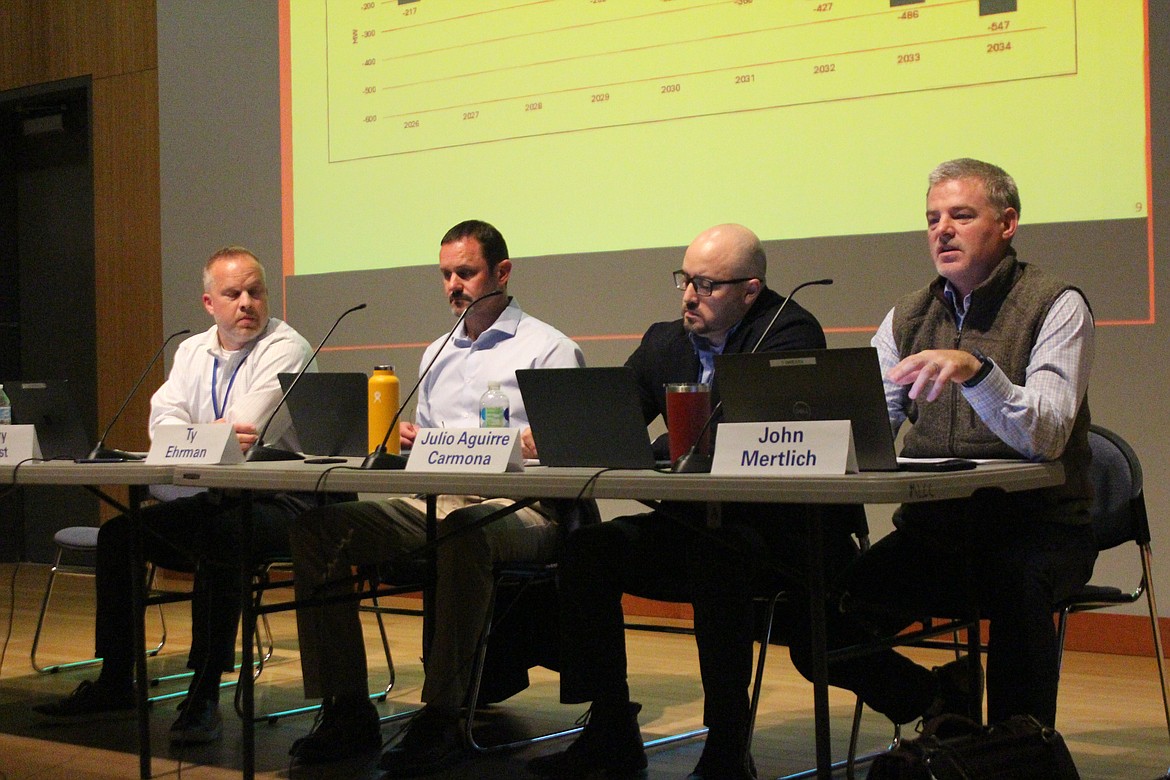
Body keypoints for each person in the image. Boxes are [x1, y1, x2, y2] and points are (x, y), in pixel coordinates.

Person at [528, 224, 861, 780]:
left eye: (706, 286)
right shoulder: (666, 341)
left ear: (750, 291)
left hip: (776, 531)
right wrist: (566, 433)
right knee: (590, 549)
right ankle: (611, 728)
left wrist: (660, 446)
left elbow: (741, 435)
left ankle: (728, 746)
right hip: (691, 523)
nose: (688, 296)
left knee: (719, 555)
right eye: (685, 280)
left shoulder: (788, 332)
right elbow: (617, 420)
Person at [287, 220, 584, 774]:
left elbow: (569, 445)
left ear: (502, 272)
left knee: (462, 532)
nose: (454, 284)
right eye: (446, 274)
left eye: (466, 273)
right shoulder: (435, 352)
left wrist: (519, 442)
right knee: (318, 531)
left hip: (524, 510)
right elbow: (430, 450)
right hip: (437, 501)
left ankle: (443, 715)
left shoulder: (549, 347)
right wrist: (407, 444)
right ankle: (347, 707)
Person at [810, 158, 1097, 730]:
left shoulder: (1055, 303)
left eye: (961, 216)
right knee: (818, 623)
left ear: (1007, 223)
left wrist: (976, 371)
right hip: (936, 532)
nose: (942, 229)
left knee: (1017, 591)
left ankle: (1017, 752)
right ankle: (936, 703)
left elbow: (1048, 435)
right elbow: (874, 426)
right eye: (933, 218)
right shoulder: (908, 315)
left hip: (1038, 528)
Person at [34, 247, 318, 744]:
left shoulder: (286, 347)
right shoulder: (191, 351)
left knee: (224, 535)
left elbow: (247, 428)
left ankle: (204, 691)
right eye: (234, 294)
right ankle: (116, 680)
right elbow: (162, 422)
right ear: (210, 302)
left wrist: (199, 433)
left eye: (257, 291)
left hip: (284, 501)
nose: (247, 302)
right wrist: (206, 433)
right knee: (121, 535)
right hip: (217, 496)